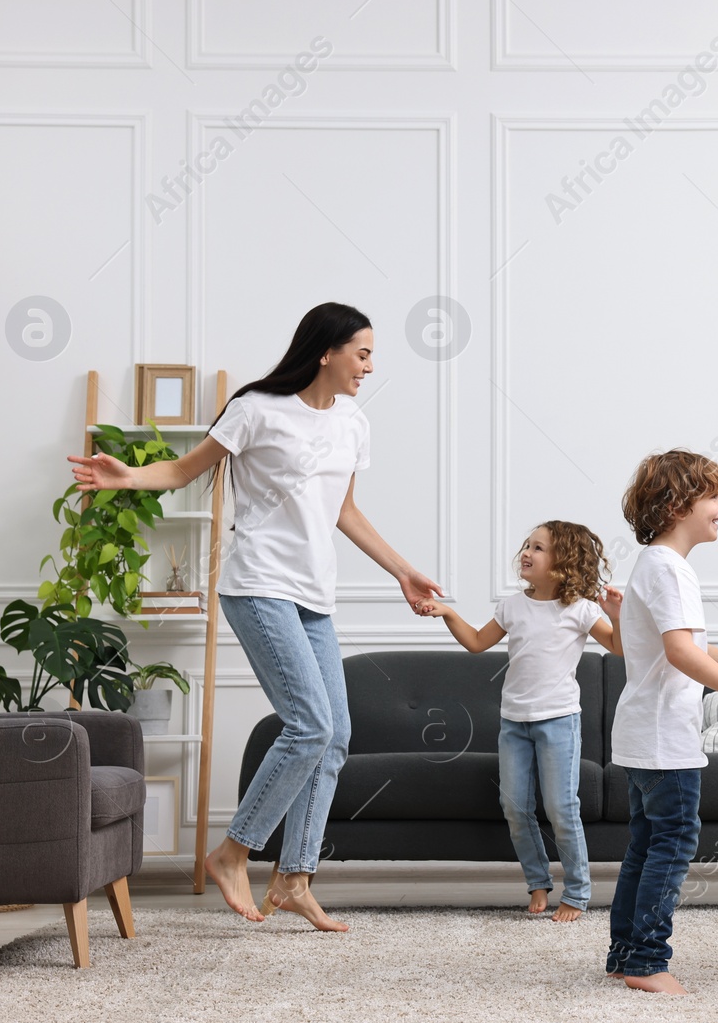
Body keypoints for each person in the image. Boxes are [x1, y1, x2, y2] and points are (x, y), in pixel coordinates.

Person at [68, 302, 442, 932]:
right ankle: (233, 852)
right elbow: (186, 471)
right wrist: (128, 476)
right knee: (309, 725)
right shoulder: (256, 409)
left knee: (336, 735)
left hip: (314, 596)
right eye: (363, 353)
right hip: (259, 586)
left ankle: (295, 878)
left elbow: (343, 510)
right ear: (326, 352)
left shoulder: (352, 422)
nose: (370, 367)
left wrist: (401, 570)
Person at [605, 449, 718, 995]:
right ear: (678, 504)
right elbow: (681, 653)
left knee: (645, 846)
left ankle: (625, 954)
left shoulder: (652, 564)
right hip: (665, 739)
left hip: (642, 735)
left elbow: (696, 643)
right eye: (714, 495)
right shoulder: (673, 570)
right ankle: (647, 962)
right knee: (672, 843)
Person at [420, 521, 624, 923]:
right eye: (527, 545)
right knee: (514, 807)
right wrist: (447, 612)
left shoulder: (581, 609)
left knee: (561, 807)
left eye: (539, 548)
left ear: (564, 561)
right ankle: (537, 881)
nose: (527, 552)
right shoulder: (513, 606)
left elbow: (618, 647)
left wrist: (617, 614)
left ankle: (578, 892)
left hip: (559, 722)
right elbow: (477, 643)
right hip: (514, 723)